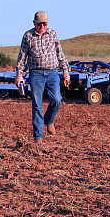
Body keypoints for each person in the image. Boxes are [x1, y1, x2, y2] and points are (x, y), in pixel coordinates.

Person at [15, 11, 70, 142]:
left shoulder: (53, 34)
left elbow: (60, 53)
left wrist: (66, 71)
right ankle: (38, 137)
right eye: (39, 24)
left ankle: (49, 121)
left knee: (56, 100)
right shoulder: (28, 36)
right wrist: (19, 75)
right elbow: (22, 57)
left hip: (52, 72)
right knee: (37, 105)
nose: (42, 27)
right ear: (34, 23)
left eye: (45, 24)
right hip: (36, 74)